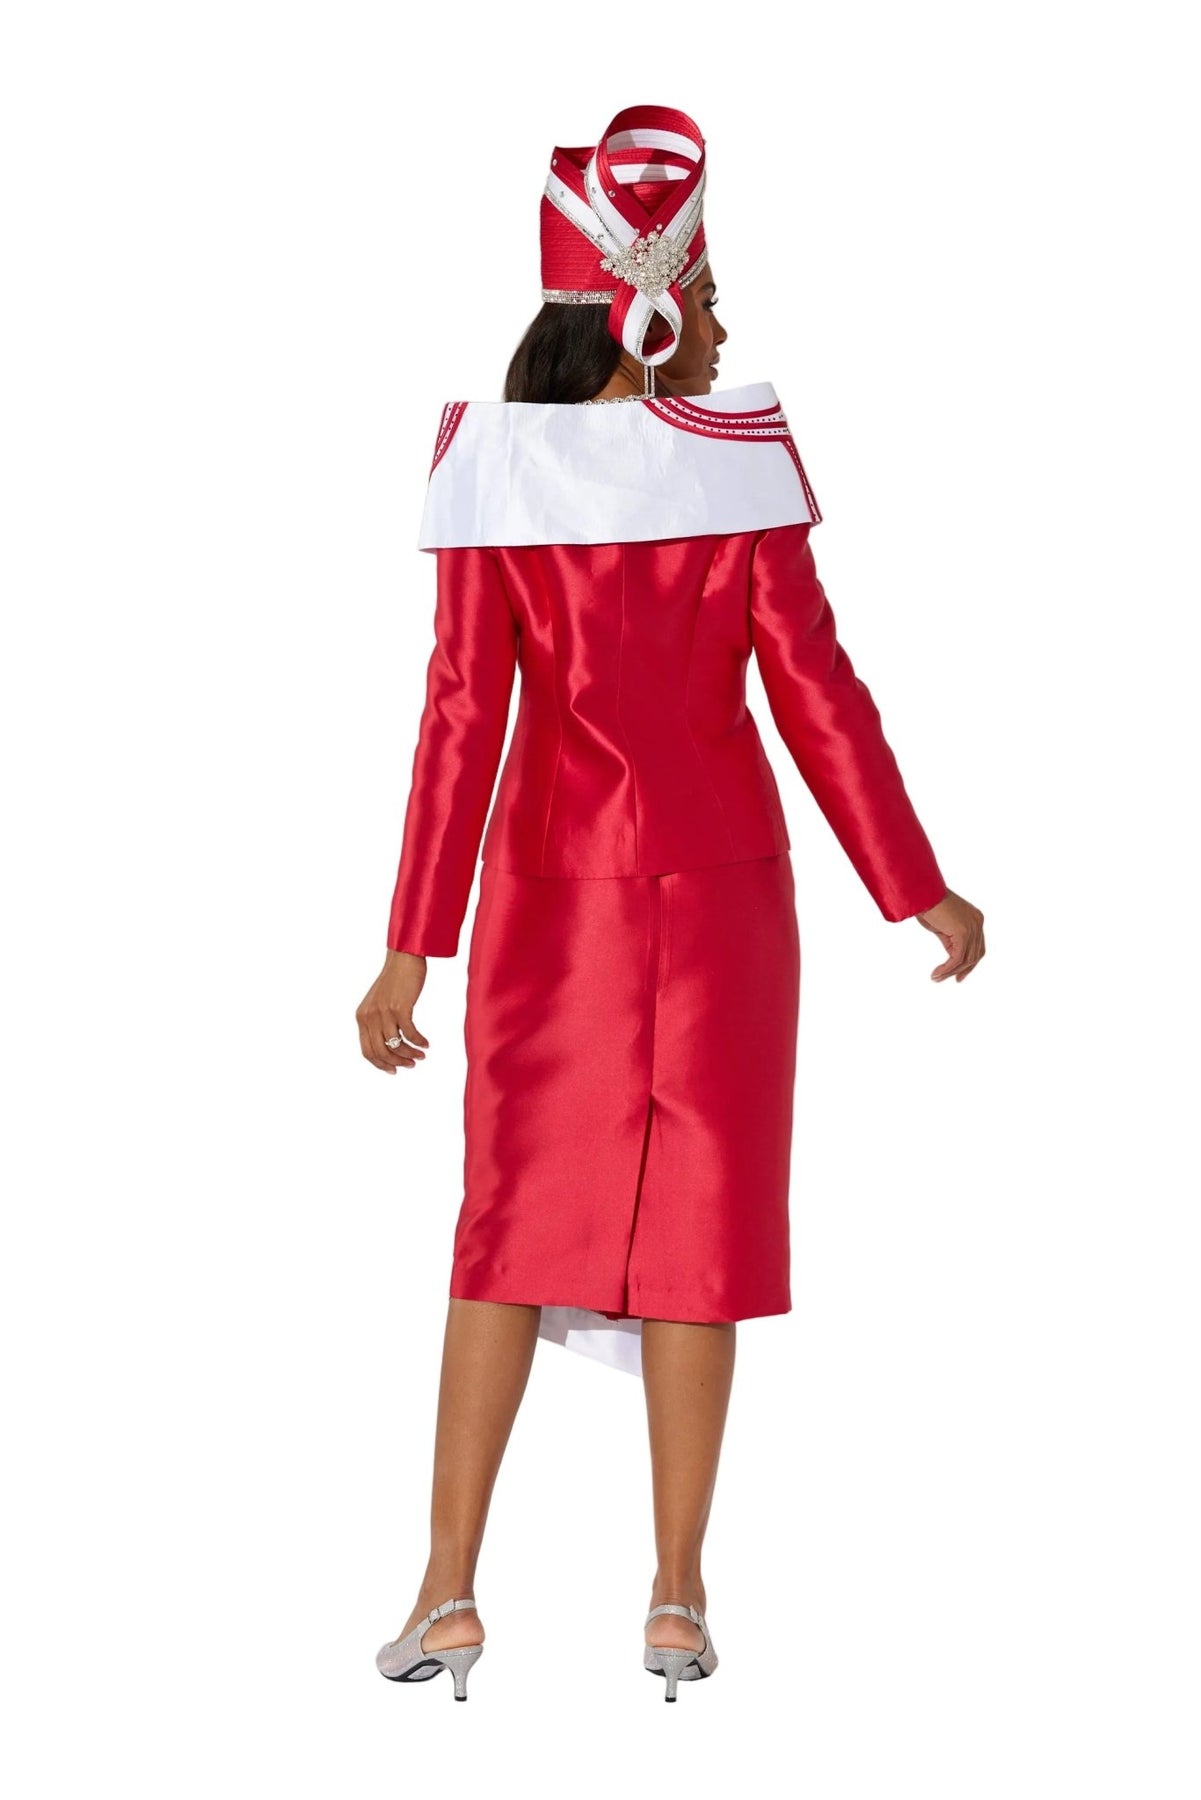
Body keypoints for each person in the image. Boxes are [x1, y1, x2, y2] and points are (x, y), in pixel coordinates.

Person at [357, 104, 985, 1703]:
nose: (717, 324)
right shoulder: (738, 463)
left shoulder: (492, 471)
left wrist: (411, 948)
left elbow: (459, 718)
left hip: (548, 901)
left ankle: (446, 1590)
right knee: (702, 1233)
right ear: (645, 311)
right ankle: (677, 1597)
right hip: (720, 903)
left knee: (504, 1227)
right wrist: (911, 886)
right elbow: (815, 692)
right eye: (704, 296)